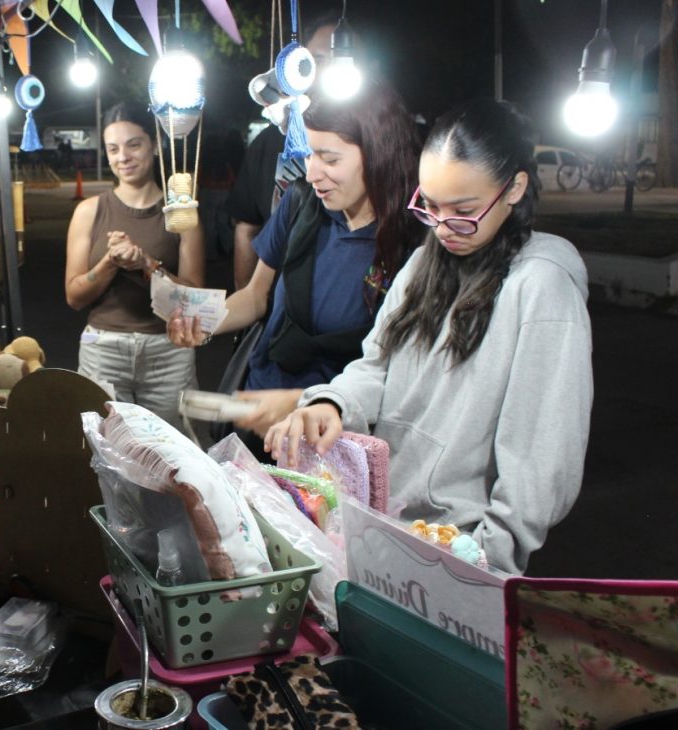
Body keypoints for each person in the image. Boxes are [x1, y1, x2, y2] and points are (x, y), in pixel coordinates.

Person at [266, 99, 593, 574]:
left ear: (515, 188)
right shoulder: (423, 263)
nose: (442, 228)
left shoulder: (542, 285)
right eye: (430, 207)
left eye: (464, 211)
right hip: (386, 521)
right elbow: (376, 365)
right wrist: (332, 404)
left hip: (463, 547)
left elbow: (540, 455)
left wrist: (490, 556)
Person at [169, 76, 420, 440]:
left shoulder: (414, 242)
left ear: (379, 153)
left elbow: (396, 371)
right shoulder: (301, 202)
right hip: (257, 410)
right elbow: (256, 297)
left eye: (329, 159)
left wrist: (302, 402)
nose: (312, 173)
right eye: (308, 154)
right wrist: (201, 321)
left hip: (332, 431)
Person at [66, 102, 205, 425]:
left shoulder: (182, 213)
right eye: (113, 149)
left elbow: (195, 298)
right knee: (105, 446)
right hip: (103, 349)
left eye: (134, 145)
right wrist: (110, 262)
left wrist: (147, 263)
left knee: (171, 448)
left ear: (154, 145)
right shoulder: (89, 211)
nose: (123, 157)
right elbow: (74, 296)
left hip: (168, 351)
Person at [227, 13, 342, 291]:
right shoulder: (269, 141)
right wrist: (248, 295)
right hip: (274, 293)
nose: (329, 69)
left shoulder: (371, 143)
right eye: (318, 60)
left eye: (340, 57)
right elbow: (247, 226)